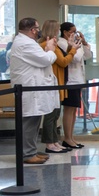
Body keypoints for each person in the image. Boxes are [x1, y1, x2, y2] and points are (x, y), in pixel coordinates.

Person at [8, 18, 59, 164]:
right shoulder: (24, 44)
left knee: (34, 120)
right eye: (37, 28)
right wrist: (50, 50)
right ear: (33, 30)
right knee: (29, 122)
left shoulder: (26, 42)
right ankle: (27, 154)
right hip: (29, 89)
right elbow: (45, 60)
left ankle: (31, 150)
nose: (39, 31)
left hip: (32, 88)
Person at [38, 20, 77, 154]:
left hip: (56, 82)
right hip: (52, 83)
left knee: (55, 115)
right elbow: (63, 61)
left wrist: (70, 48)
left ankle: (54, 141)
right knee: (51, 115)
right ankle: (50, 143)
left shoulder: (52, 45)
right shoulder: (46, 45)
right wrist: (73, 50)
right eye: (56, 30)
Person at [58, 22, 92, 150]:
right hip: (70, 81)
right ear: (66, 32)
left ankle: (71, 137)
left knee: (74, 110)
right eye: (73, 31)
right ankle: (67, 138)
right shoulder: (62, 43)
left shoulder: (75, 43)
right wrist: (75, 46)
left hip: (78, 79)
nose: (76, 34)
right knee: (69, 109)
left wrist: (83, 43)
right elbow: (76, 58)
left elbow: (87, 56)